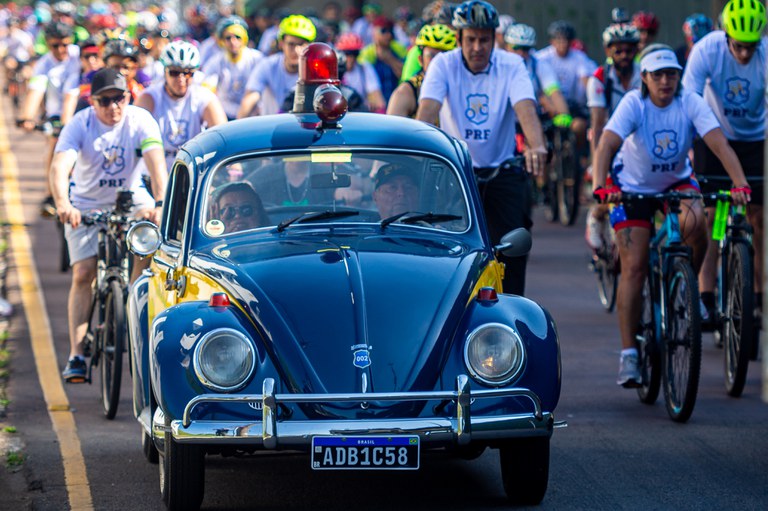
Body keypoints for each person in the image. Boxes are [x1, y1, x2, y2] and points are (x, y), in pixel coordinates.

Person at [591, 44, 750, 387]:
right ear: (645, 78)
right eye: (658, 75)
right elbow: (606, 144)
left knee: (698, 224)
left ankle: (685, 289)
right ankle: (629, 356)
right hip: (631, 187)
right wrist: (601, 185)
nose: (666, 81)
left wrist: (740, 184)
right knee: (634, 267)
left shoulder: (689, 101)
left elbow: (719, 142)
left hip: (677, 182)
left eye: (672, 75)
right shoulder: (634, 104)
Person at [416, 0, 547, 296]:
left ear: (494, 39)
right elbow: (427, 111)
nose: (477, 47)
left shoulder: (512, 64)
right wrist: (420, 152)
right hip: (457, 174)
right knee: (446, 250)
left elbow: (525, 108)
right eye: (471, 39)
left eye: (484, 39)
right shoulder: (442, 64)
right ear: (459, 38)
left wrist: (536, 146)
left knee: (513, 248)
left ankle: (513, 313)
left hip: (502, 168)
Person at [50, 68, 168, 383]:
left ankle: (130, 306)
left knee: (146, 250)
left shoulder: (140, 119)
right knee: (83, 272)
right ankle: (77, 353)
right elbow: (60, 166)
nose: (114, 107)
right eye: (106, 101)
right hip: (85, 205)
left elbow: (157, 165)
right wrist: (64, 203)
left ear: (128, 97)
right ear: (93, 101)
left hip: (131, 200)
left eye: (120, 99)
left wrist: (159, 203)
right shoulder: (80, 124)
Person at [682, 0, 767, 326]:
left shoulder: (765, 54)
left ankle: (758, 296)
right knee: (713, 215)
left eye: (751, 47)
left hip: (756, 138)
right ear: (725, 34)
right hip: (713, 136)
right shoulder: (707, 50)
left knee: (759, 217)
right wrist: (688, 147)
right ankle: (705, 296)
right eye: (738, 46)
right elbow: (688, 101)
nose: (744, 54)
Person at [584, 22, 642, 250]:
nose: (624, 55)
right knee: (607, 191)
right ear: (608, 51)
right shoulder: (599, 78)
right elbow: (597, 125)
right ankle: (596, 216)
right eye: (618, 50)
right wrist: (597, 162)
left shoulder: (644, 73)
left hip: (637, 139)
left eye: (629, 50)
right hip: (611, 138)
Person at [18, 21, 80, 217]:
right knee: (54, 144)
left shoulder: (79, 55)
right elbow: (35, 90)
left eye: (65, 44)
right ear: (47, 43)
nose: (61, 50)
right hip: (56, 116)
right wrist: (27, 117)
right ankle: (50, 193)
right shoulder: (43, 64)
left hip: (81, 112)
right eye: (55, 45)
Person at [135, 41, 227, 169]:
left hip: (190, 172)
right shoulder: (148, 97)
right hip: (152, 172)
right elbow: (133, 137)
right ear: (164, 72)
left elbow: (223, 137)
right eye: (174, 72)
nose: (181, 79)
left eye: (188, 73)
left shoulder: (204, 97)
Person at [237, 14, 315, 118]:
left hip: (303, 129)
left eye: (301, 45)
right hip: (271, 127)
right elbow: (250, 98)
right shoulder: (267, 65)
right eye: (291, 44)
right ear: (281, 43)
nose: (296, 50)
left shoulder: (315, 71)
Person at [536, 20, 596, 153]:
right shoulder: (542, 57)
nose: (563, 43)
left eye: (566, 40)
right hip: (548, 105)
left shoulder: (579, 57)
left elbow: (585, 80)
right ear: (552, 41)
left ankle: (579, 156)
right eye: (559, 40)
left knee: (580, 127)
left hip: (573, 106)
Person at [503, 23, 571, 127]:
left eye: (525, 49)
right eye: (516, 48)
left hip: (531, 116)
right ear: (506, 46)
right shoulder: (497, 65)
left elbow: (554, 92)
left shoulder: (538, 64)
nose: (520, 53)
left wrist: (564, 114)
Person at [201, 15, 264, 120]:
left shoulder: (257, 59)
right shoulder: (215, 62)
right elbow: (207, 91)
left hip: (254, 117)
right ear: (222, 41)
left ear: (244, 38)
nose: (233, 42)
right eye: (228, 38)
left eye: (237, 37)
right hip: (225, 118)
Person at [387, 23, 456, 118]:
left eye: (444, 57)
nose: (438, 63)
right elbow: (392, 131)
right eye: (432, 56)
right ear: (420, 60)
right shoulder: (405, 92)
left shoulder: (462, 85)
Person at [358, 15, 408, 104]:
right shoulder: (366, 53)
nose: (388, 35)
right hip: (375, 106)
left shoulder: (399, 49)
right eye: (383, 31)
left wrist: (390, 59)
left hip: (397, 101)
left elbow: (405, 76)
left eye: (390, 31)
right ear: (374, 32)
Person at [336, 32, 385, 112]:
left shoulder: (364, 68)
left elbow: (379, 101)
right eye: (347, 54)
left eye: (354, 54)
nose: (351, 58)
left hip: (359, 110)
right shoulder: (335, 71)